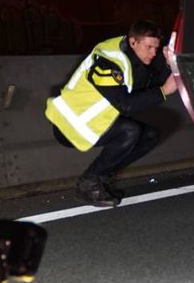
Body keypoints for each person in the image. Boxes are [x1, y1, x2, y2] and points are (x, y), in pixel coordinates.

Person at [45, 20, 178, 207]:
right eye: (149, 47)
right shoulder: (108, 61)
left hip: (92, 122)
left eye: (156, 49)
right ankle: (88, 183)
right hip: (69, 124)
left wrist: (167, 63)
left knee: (150, 135)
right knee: (130, 130)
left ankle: (102, 178)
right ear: (133, 41)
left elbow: (147, 85)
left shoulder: (131, 56)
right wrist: (163, 91)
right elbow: (126, 105)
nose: (152, 53)